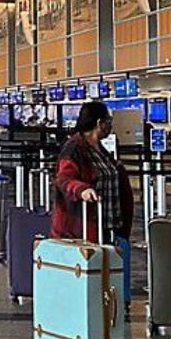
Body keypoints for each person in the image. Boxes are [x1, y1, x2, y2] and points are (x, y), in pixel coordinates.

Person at [52, 102, 133, 243]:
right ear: (99, 123)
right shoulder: (74, 148)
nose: (110, 125)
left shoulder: (99, 150)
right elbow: (64, 179)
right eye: (109, 121)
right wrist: (81, 190)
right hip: (81, 230)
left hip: (109, 228)